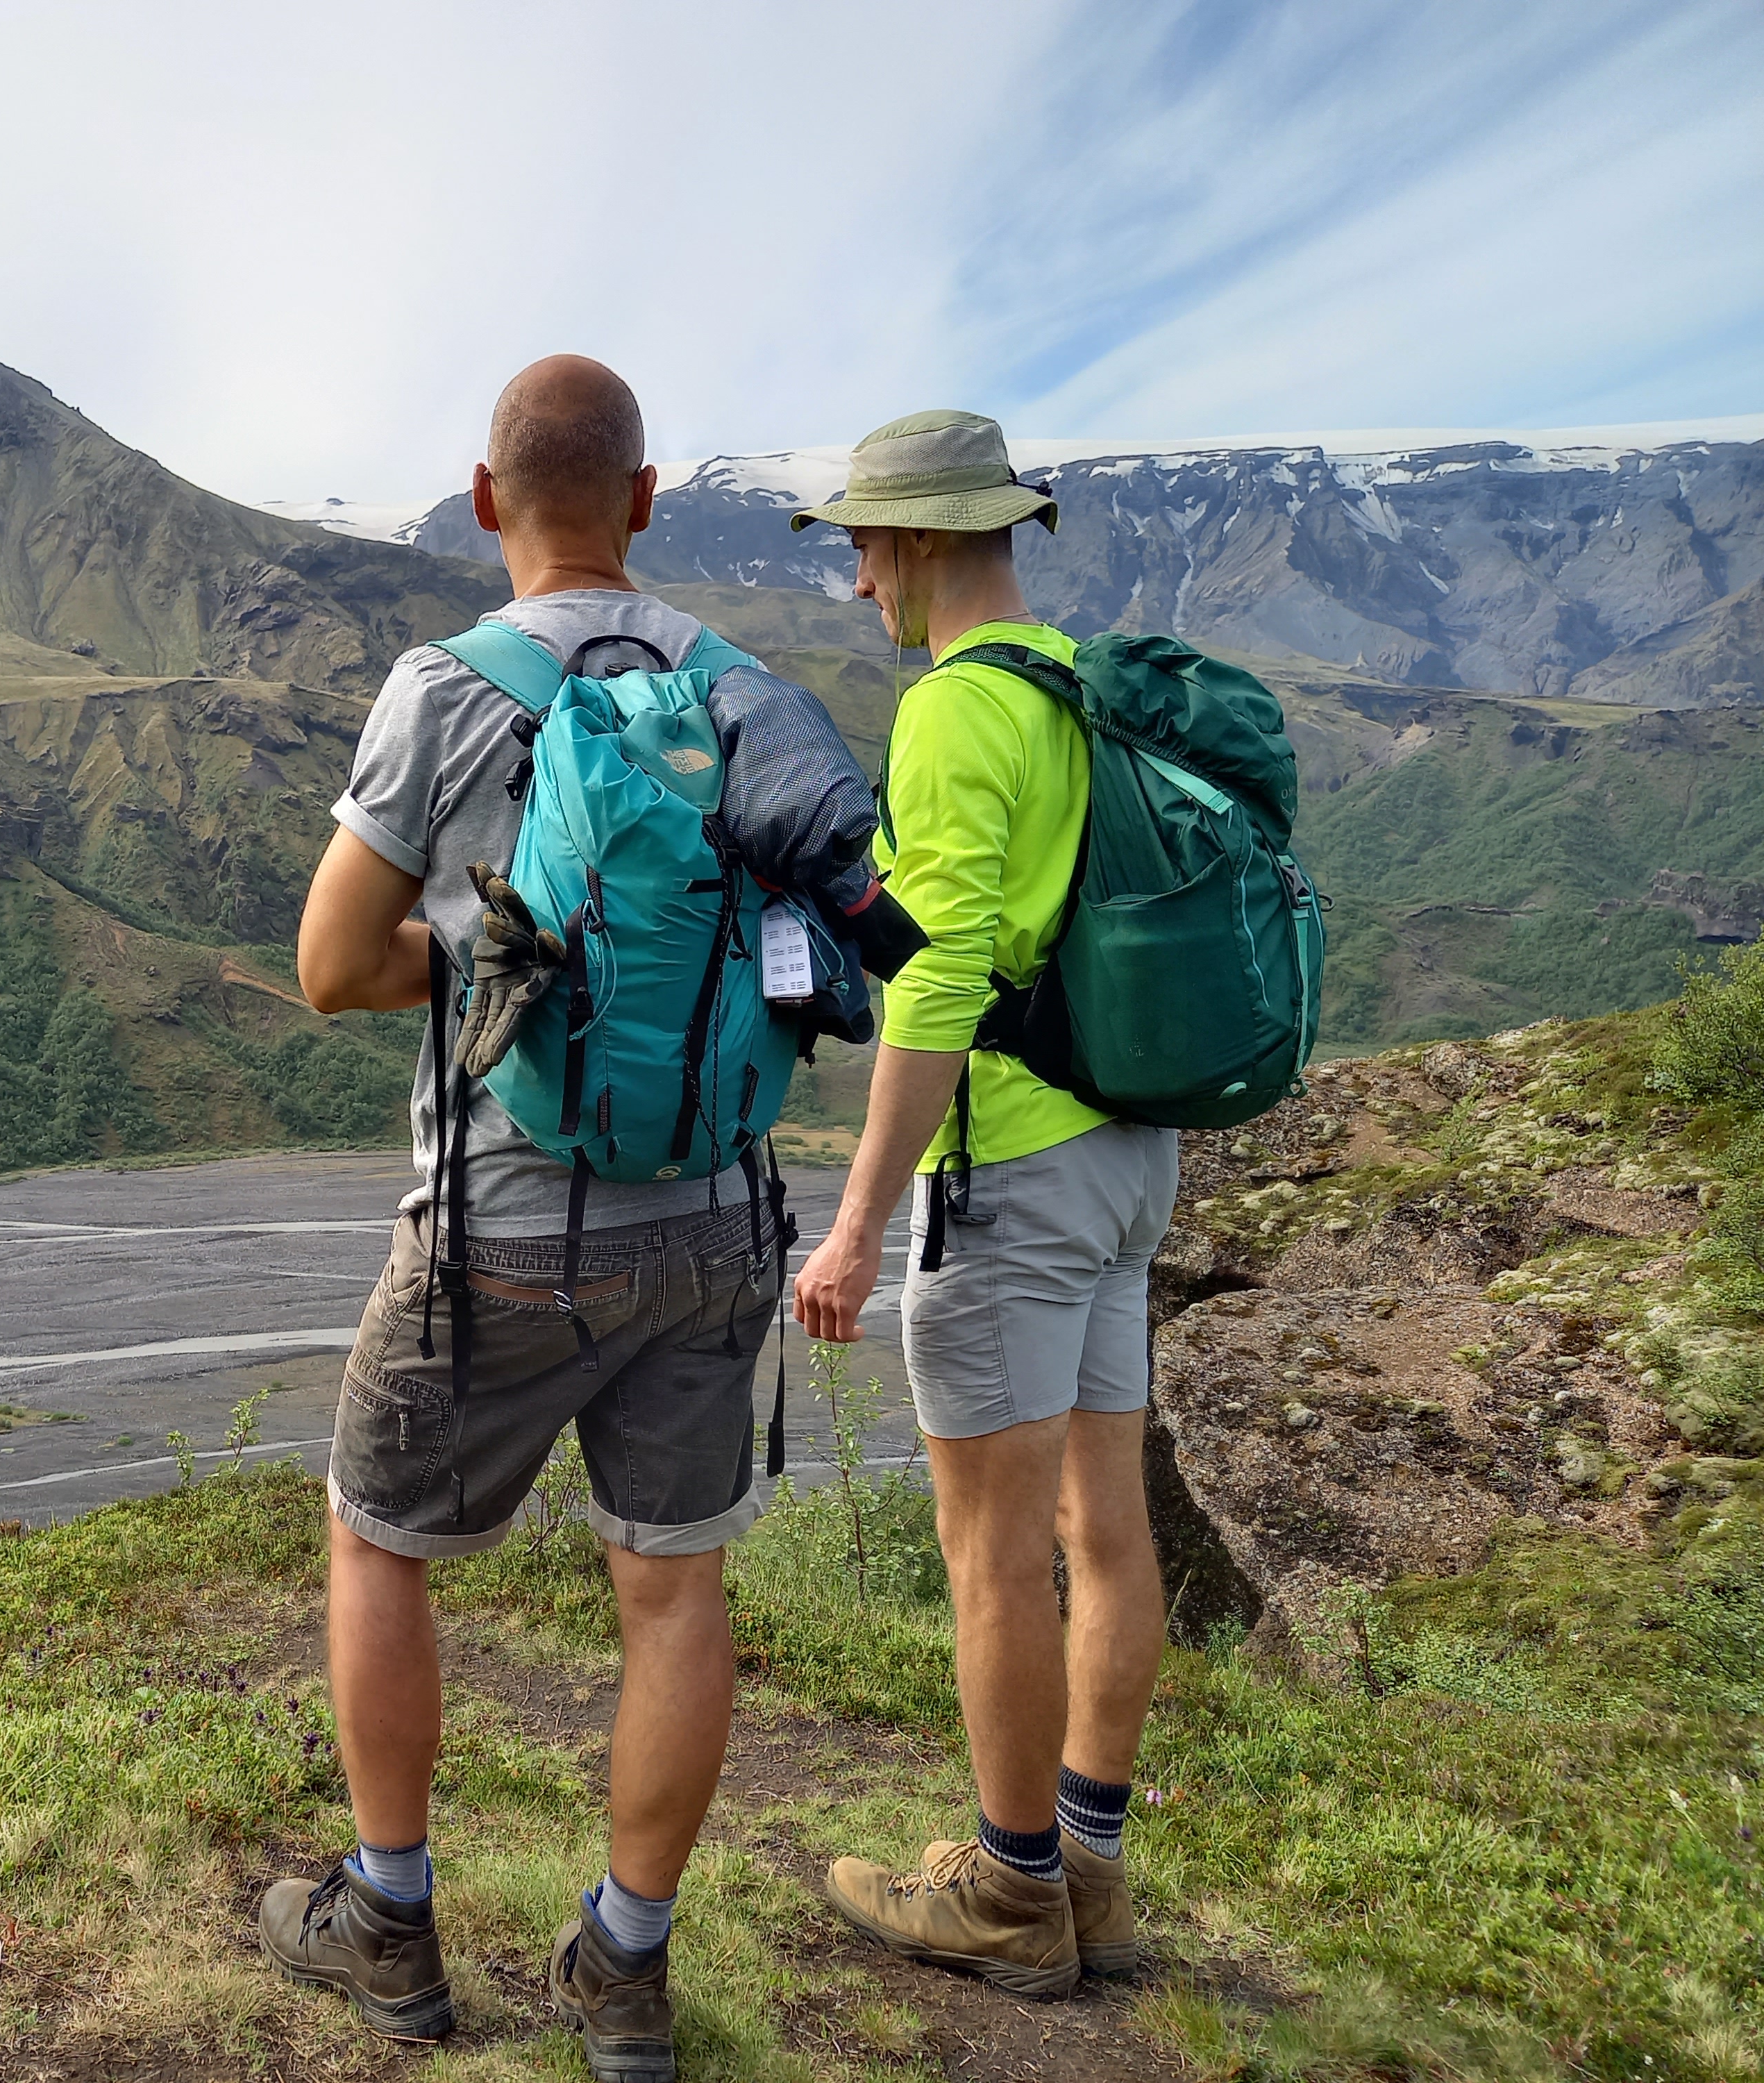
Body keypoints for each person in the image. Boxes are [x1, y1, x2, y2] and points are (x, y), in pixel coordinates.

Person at [259, 355, 871, 2083]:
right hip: (716, 1222)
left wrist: (485, 962)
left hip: (501, 1234)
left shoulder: (442, 691)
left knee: (378, 1543)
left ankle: (388, 1927)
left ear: (483, 502)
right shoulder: (743, 688)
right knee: (671, 1596)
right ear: (646, 501)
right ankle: (624, 1970)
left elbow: (329, 968)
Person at [788, 409, 1176, 2000]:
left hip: (1009, 1171)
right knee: (1105, 1520)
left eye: (862, 546)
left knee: (992, 1549)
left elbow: (939, 978)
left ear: (920, 539)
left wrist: (855, 1221)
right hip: (1126, 1154)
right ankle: (1087, 1873)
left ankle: (1010, 1893)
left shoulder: (953, 706)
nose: (856, 580)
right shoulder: (1077, 686)